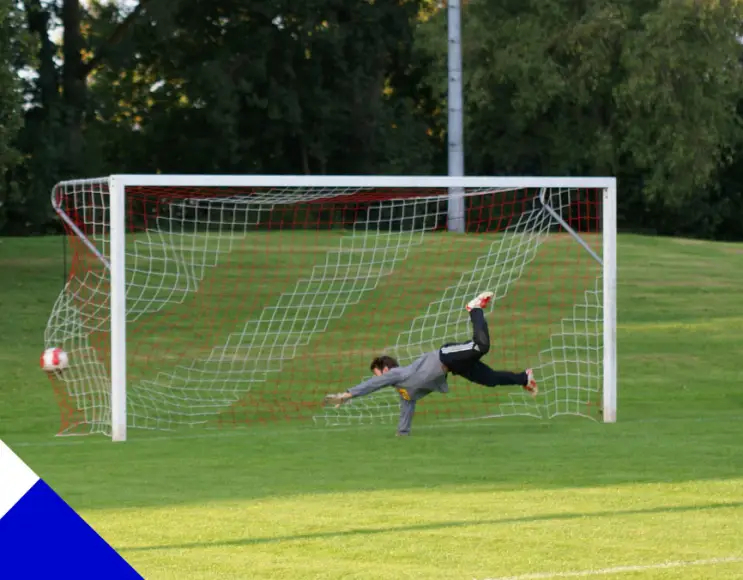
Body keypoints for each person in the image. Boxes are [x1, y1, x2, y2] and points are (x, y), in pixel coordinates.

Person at [323, 291, 538, 436]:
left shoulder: (396, 375)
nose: (378, 377)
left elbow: (371, 385)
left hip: (446, 356)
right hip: (454, 366)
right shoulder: (404, 390)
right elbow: (407, 408)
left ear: (386, 369)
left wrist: (347, 394)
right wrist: (402, 435)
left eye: (377, 372)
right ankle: (524, 378)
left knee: (481, 346)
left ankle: (475, 309)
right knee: (489, 379)